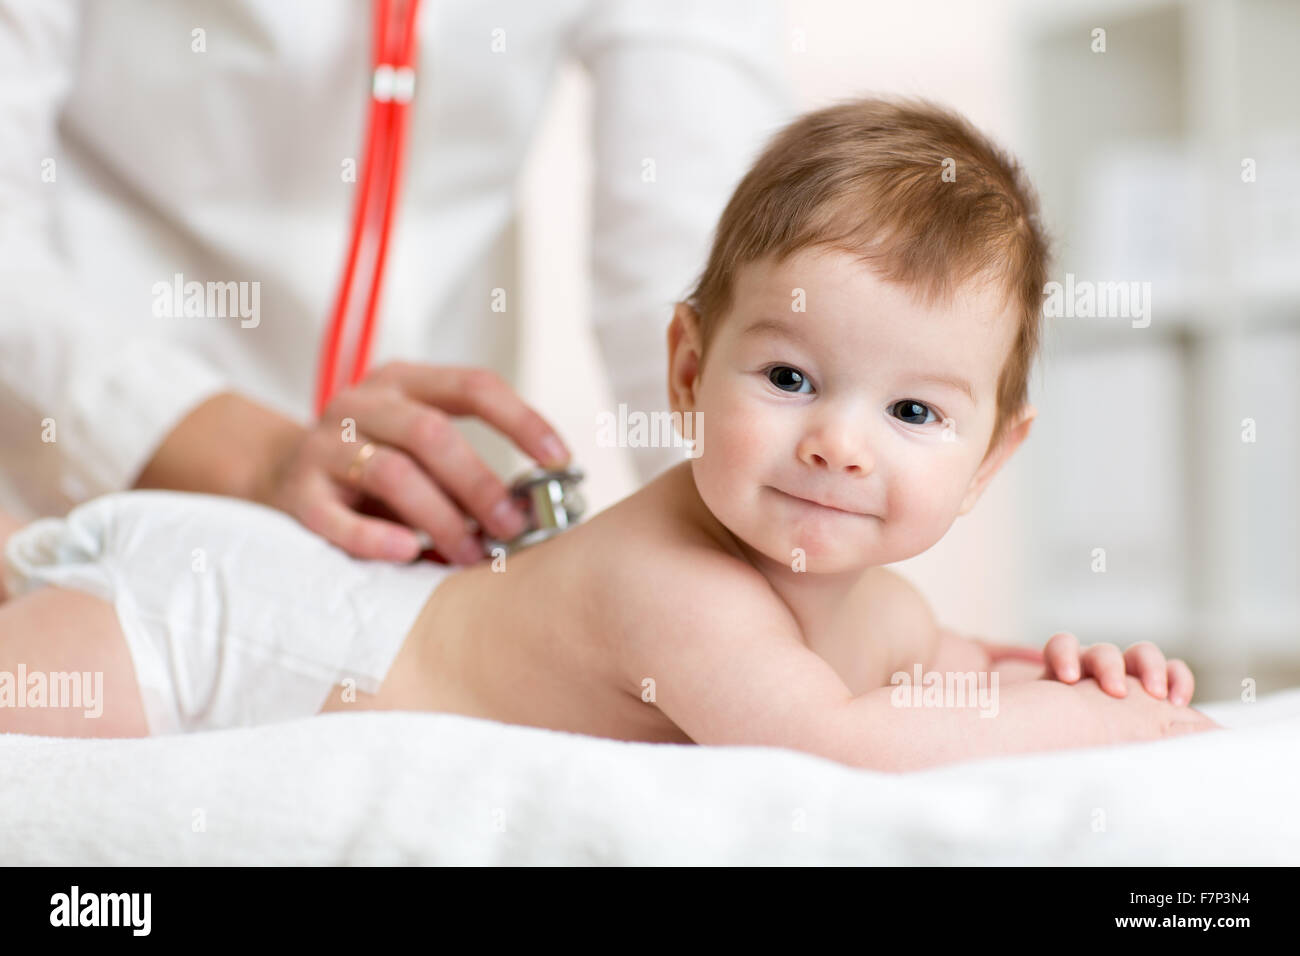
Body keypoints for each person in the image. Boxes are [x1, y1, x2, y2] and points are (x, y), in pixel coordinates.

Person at [0, 97, 1219, 769]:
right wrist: (1094, 726)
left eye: (911, 412)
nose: (841, 446)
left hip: (311, 601)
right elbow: (834, 738)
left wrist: (1069, 673)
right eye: (790, 376)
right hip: (222, 629)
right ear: (686, 370)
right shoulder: (682, 587)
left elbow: (943, 671)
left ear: (990, 458)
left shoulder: (867, 600)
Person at [0, 0, 795, 563]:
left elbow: (699, 234)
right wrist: (256, 460)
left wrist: (745, 540)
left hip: (426, 522)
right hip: (82, 493)